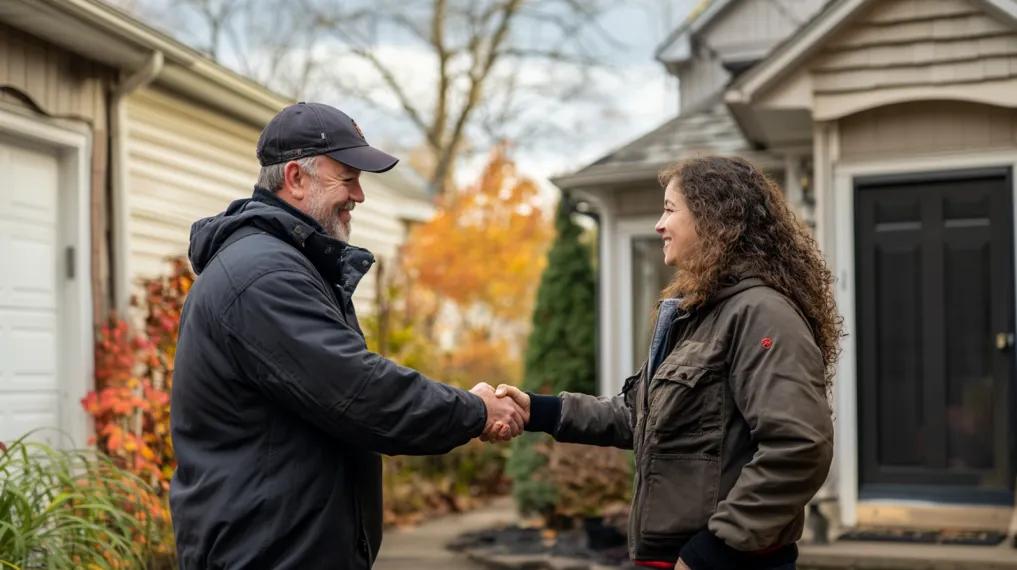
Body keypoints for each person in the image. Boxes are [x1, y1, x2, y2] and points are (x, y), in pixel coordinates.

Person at [169, 102, 525, 569]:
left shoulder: (287, 265)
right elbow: (361, 394)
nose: (359, 195)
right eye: (347, 177)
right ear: (295, 178)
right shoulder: (264, 278)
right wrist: (476, 410)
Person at [496, 156, 840, 570]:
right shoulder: (700, 315)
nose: (659, 225)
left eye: (670, 209)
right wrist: (538, 410)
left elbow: (800, 447)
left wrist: (716, 549)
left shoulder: (762, 314)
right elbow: (638, 415)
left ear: (715, 218)